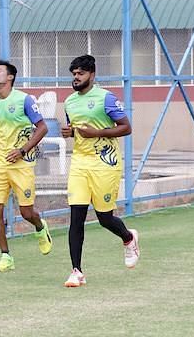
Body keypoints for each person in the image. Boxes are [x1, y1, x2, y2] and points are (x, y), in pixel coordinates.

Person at [61, 54, 139, 287]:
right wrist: (71, 133)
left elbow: (126, 127)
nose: (76, 78)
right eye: (74, 74)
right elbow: (77, 129)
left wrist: (97, 133)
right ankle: (76, 270)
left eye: (81, 73)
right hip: (80, 163)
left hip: (105, 164)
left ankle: (129, 238)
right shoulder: (69, 102)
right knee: (76, 217)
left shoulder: (106, 98)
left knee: (105, 217)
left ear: (92, 75)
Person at [0, 60, 52, 272]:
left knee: (26, 212)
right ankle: (6, 256)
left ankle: (40, 228)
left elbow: (42, 128)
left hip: (22, 163)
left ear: (10, 76)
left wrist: (22, 150)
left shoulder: (24, 100)